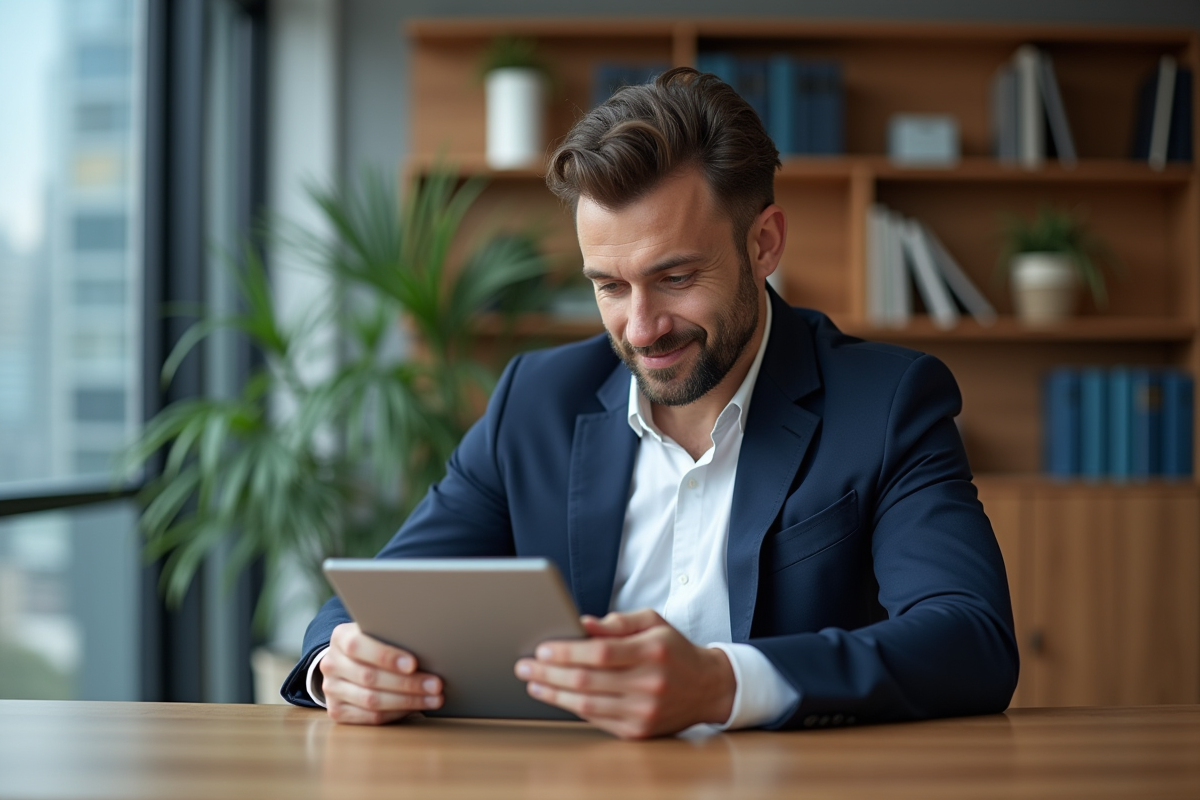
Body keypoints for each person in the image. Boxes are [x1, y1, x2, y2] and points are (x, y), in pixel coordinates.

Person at [281, 67, 1018, 738]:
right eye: (608, 285)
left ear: (764, 244)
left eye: (675, 277)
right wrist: (338, 662)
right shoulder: (533, 403)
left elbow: (970, 636)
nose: (641, 327)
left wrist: (723, 683)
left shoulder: (888, 402)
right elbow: (375, 600)